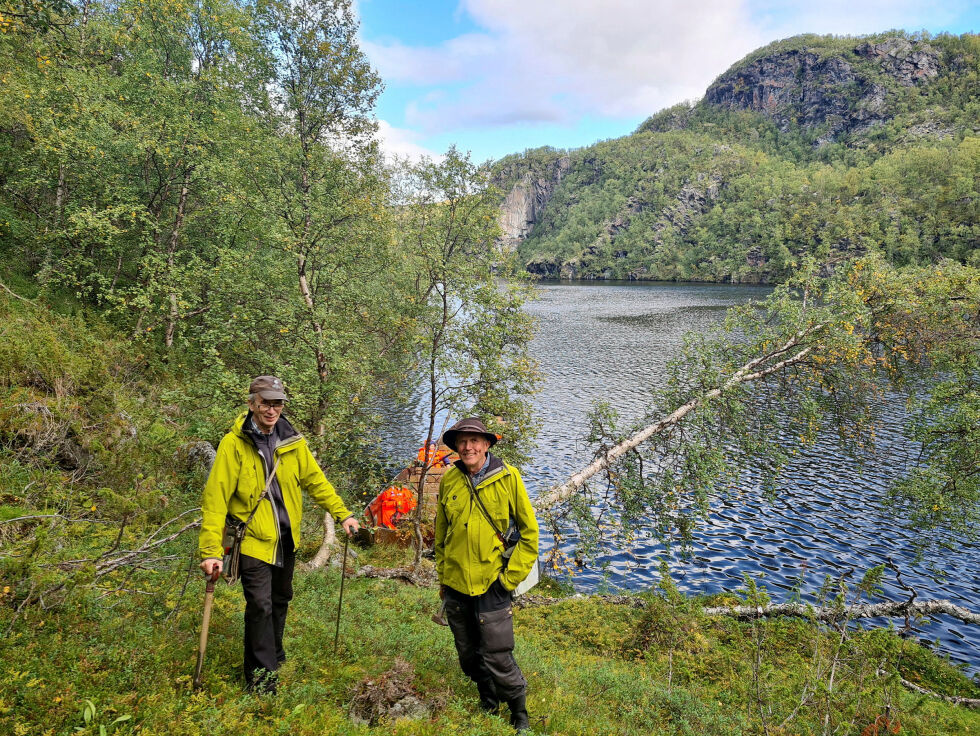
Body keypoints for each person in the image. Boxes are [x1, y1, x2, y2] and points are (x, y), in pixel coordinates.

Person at [198, 375, 359, 693]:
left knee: (281, 599)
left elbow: (315, 481)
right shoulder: (234, 444)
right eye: (265, 402)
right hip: (253, 541)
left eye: (277, 403)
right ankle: (261, 680)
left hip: (287, 540)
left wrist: (343, 514)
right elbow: (215, 501)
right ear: (252, 403)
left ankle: (274, 653)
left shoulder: (293, 441)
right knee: (260, 605)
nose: (271, 409)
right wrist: (211, 551)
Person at [434, 417, 539, 732]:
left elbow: (530, 536)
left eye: (474, 441)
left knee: (497, 654)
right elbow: (441, 535)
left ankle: (519, 713)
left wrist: (508, 580)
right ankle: (487, 698)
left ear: (487, 444)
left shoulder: (508, 478)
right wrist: (443, 576)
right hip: (455, 584)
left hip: (492, 583)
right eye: (462, 442)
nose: (468, 447)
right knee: (467, 653)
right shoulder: (449, 480)